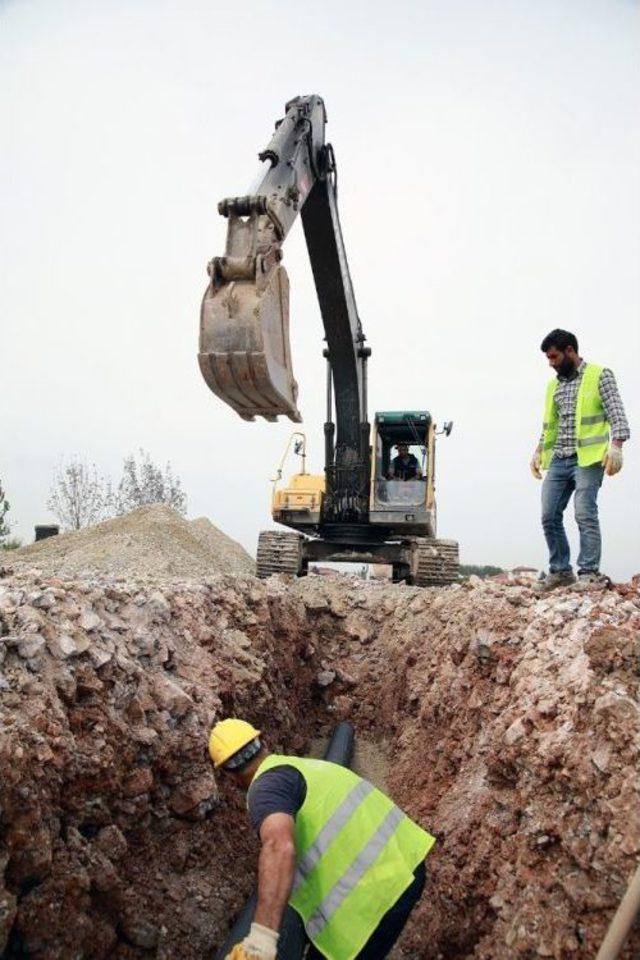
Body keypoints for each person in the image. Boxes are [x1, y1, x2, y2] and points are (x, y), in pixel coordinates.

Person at [209, 718, 434, 960]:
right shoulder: (310, 768)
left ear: (227, 775)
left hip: (373, 897)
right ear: (262, 742)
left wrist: (260, 940)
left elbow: (279, 847)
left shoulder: (265, 790)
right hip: (407, 869)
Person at [530, 329, 630, 592]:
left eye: (554, 357)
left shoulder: (599, 375)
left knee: (585, 513)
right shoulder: (554, 385)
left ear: (570, 351)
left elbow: (618, 414)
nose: (551, 363)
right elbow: (550, 424)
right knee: (548, 516)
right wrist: (539, 449)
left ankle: (589, 573)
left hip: (588, 459)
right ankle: (561, 571)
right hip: (559, 459)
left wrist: (616, 446)